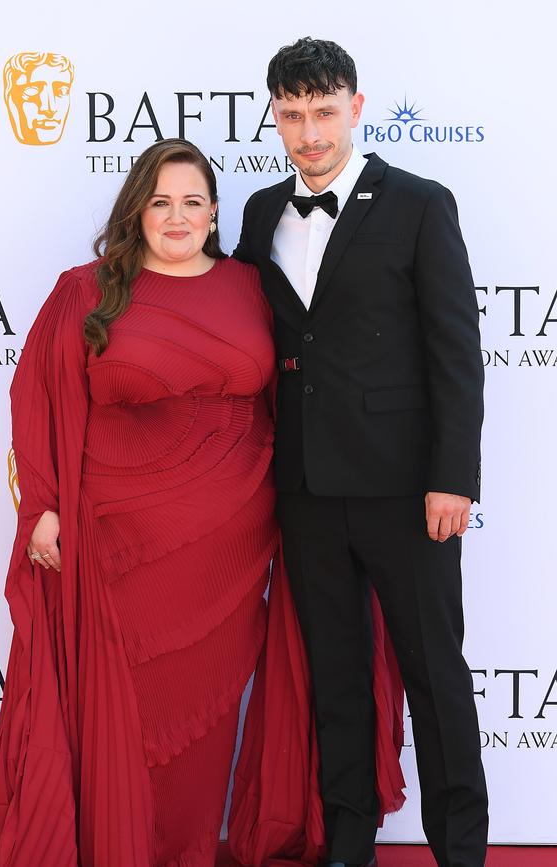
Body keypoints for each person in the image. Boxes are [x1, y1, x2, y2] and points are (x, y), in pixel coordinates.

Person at [0, 138, 404, 867]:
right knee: (123, 713)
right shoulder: (85, 290)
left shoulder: (251, 286)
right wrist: (42, 506)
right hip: (116, 545)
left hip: (231, 547)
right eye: (160, 202)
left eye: (192, 203)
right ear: (137, 211)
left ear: (214, 215)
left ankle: (185, 853)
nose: (176, 217)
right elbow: (39, 400)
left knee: (202, 721)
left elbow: (300, 391)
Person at [234, 37, 489, 867]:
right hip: (305, 487)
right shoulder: (259, 210)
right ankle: (348, 839)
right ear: (274, 113)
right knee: (335, 674)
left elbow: (454, 350)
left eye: (324, 112)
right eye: (293, 114)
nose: (309, 133)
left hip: (405, 486)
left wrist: (452, 476)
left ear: (356, 106)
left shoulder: (419, 202)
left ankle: (460, 848)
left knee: (434, 676)